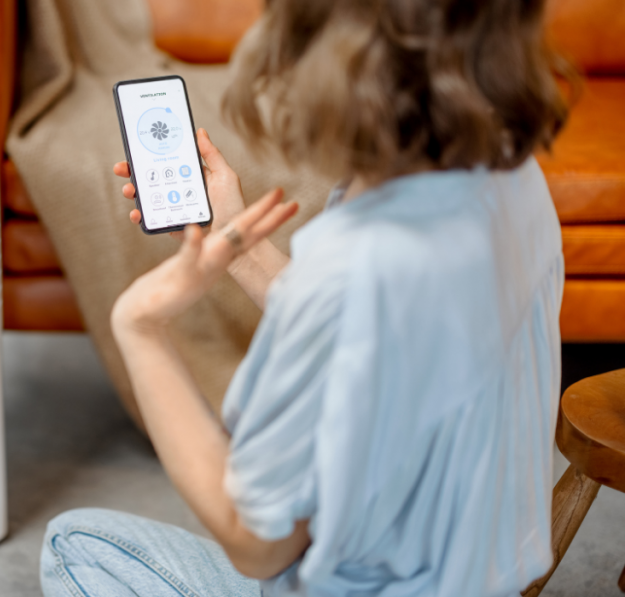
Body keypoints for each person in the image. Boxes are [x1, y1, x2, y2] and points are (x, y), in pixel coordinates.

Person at [40, 0, 569, 594]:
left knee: (74, 543)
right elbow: (369, 339)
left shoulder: (353, 269)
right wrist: (237, 242)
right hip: (481, 574)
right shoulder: (512, 175)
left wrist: (139, 328)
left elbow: (258, 544)